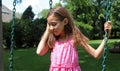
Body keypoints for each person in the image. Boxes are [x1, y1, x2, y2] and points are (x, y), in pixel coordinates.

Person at [36, 6, 112, 71]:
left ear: (65, 21)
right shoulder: (53, 39)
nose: (51, 28)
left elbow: (96, 54)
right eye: (49, 25)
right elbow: (39, 52)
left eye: (54, 24)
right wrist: (47, 31)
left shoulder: (75, 37)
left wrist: (106, 36)